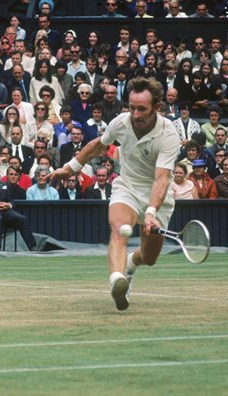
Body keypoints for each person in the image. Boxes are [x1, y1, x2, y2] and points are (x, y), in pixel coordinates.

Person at [50, 77, 179, 311]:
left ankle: (130, 264)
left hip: (156, 194)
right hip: (127, 186)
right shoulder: (121, 122)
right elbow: (100, 144)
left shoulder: (168, 134)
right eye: (132, 107)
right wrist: (70, 167)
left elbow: (162, 179)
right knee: (119, 230)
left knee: (149, 258)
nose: (136, 114)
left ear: (157, 108)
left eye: (142, 109)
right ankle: (117, 280)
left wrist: (151, 212)